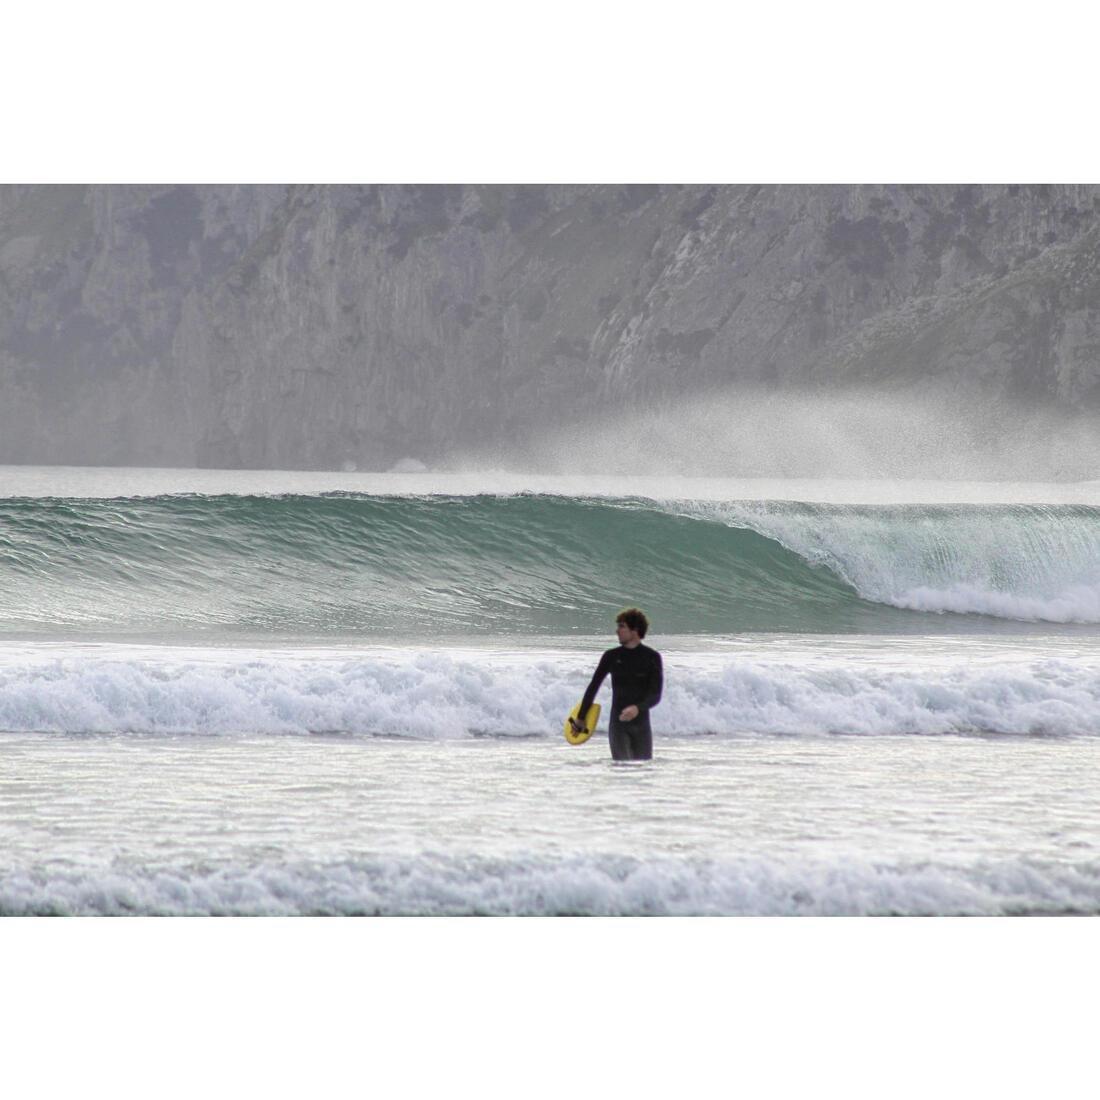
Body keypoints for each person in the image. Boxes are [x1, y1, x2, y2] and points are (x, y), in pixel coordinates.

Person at [570, 607, 663, 761]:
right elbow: (594, 686)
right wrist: (581, 716)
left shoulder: (652, 657)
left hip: (642, 726)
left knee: (643, 773)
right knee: (622, 769)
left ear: (635, 630)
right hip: (618, 725)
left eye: (622, 626)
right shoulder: (611, 656)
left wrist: (637, 708)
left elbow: (655, 695)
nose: (617, 631)